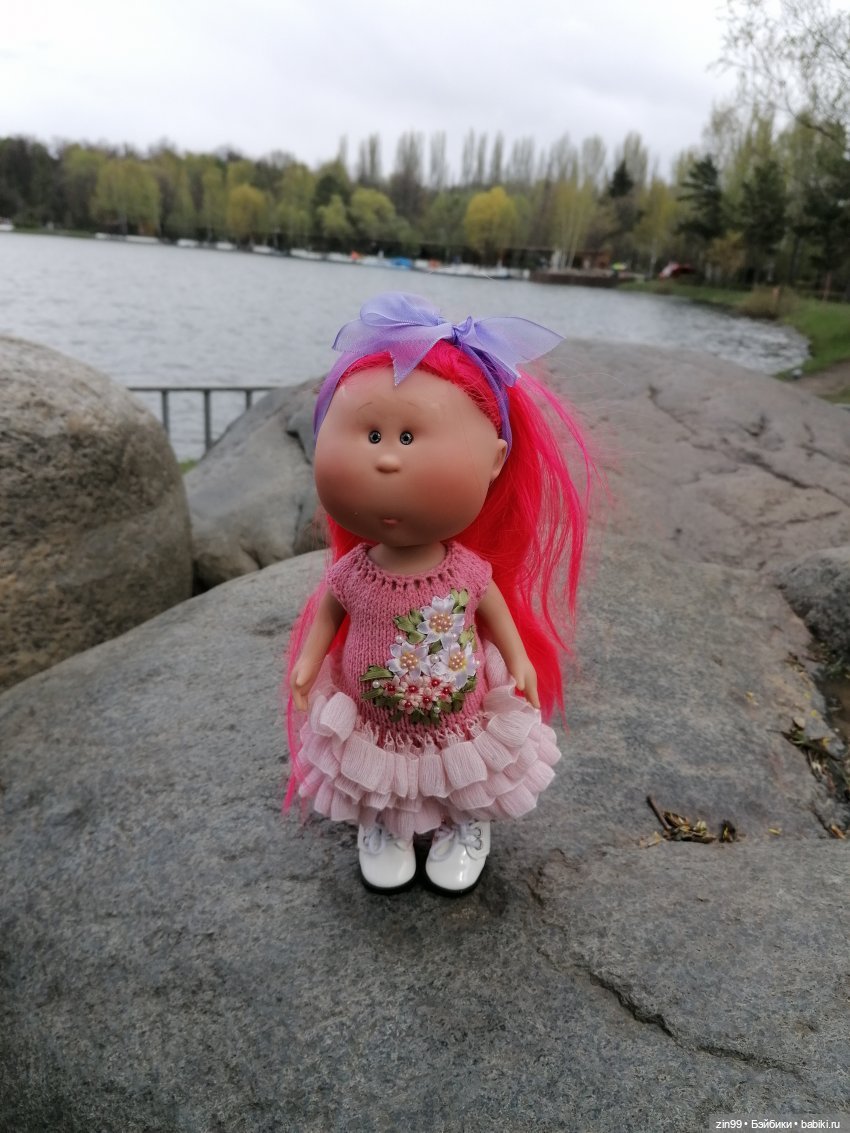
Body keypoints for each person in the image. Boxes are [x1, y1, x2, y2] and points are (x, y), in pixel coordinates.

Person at [285, 292, 593, 896]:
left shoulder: (467, 571)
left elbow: (495, 612)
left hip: (457, 710)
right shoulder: (354, 571)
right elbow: (329, 611)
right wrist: (309, 660)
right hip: (374, 712)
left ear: (496, 461)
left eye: (407, 437)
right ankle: (385, 821)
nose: (387, 460)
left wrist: (521, 660)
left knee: (462, 769)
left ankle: (463, 818)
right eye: (373, 434)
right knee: (379, 769)